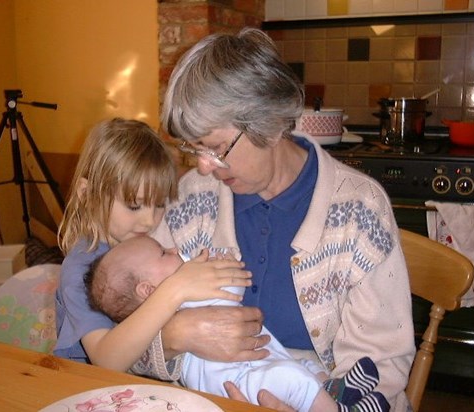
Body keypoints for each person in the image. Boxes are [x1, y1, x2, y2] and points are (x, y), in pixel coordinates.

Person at [150, 28, 416, 412]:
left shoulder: (359, 208)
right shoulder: (191, 200)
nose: (204, 167)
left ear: (272, 123)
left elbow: (382, 364)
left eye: (216, 148)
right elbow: (128, 323)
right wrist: (174, 335)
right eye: (195, 149)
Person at [86, 235, 390, 412]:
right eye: (164, 253)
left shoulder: (181, 285)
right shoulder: (171, 302)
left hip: (260, 362)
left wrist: (218, 265)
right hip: (239, 386)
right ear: (148, 291)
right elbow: (126, 355)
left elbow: (231, 290)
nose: (176, 250)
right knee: (291, 378)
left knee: (307, 369)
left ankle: (336, 392)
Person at [54, 117, 251, 373]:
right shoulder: (81, 267)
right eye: (134, 205)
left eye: (159, 204)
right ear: (86, 193)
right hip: (89, 388)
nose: (149, 220)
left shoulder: (143, 241)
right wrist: (175, 289)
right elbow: (106, 360)